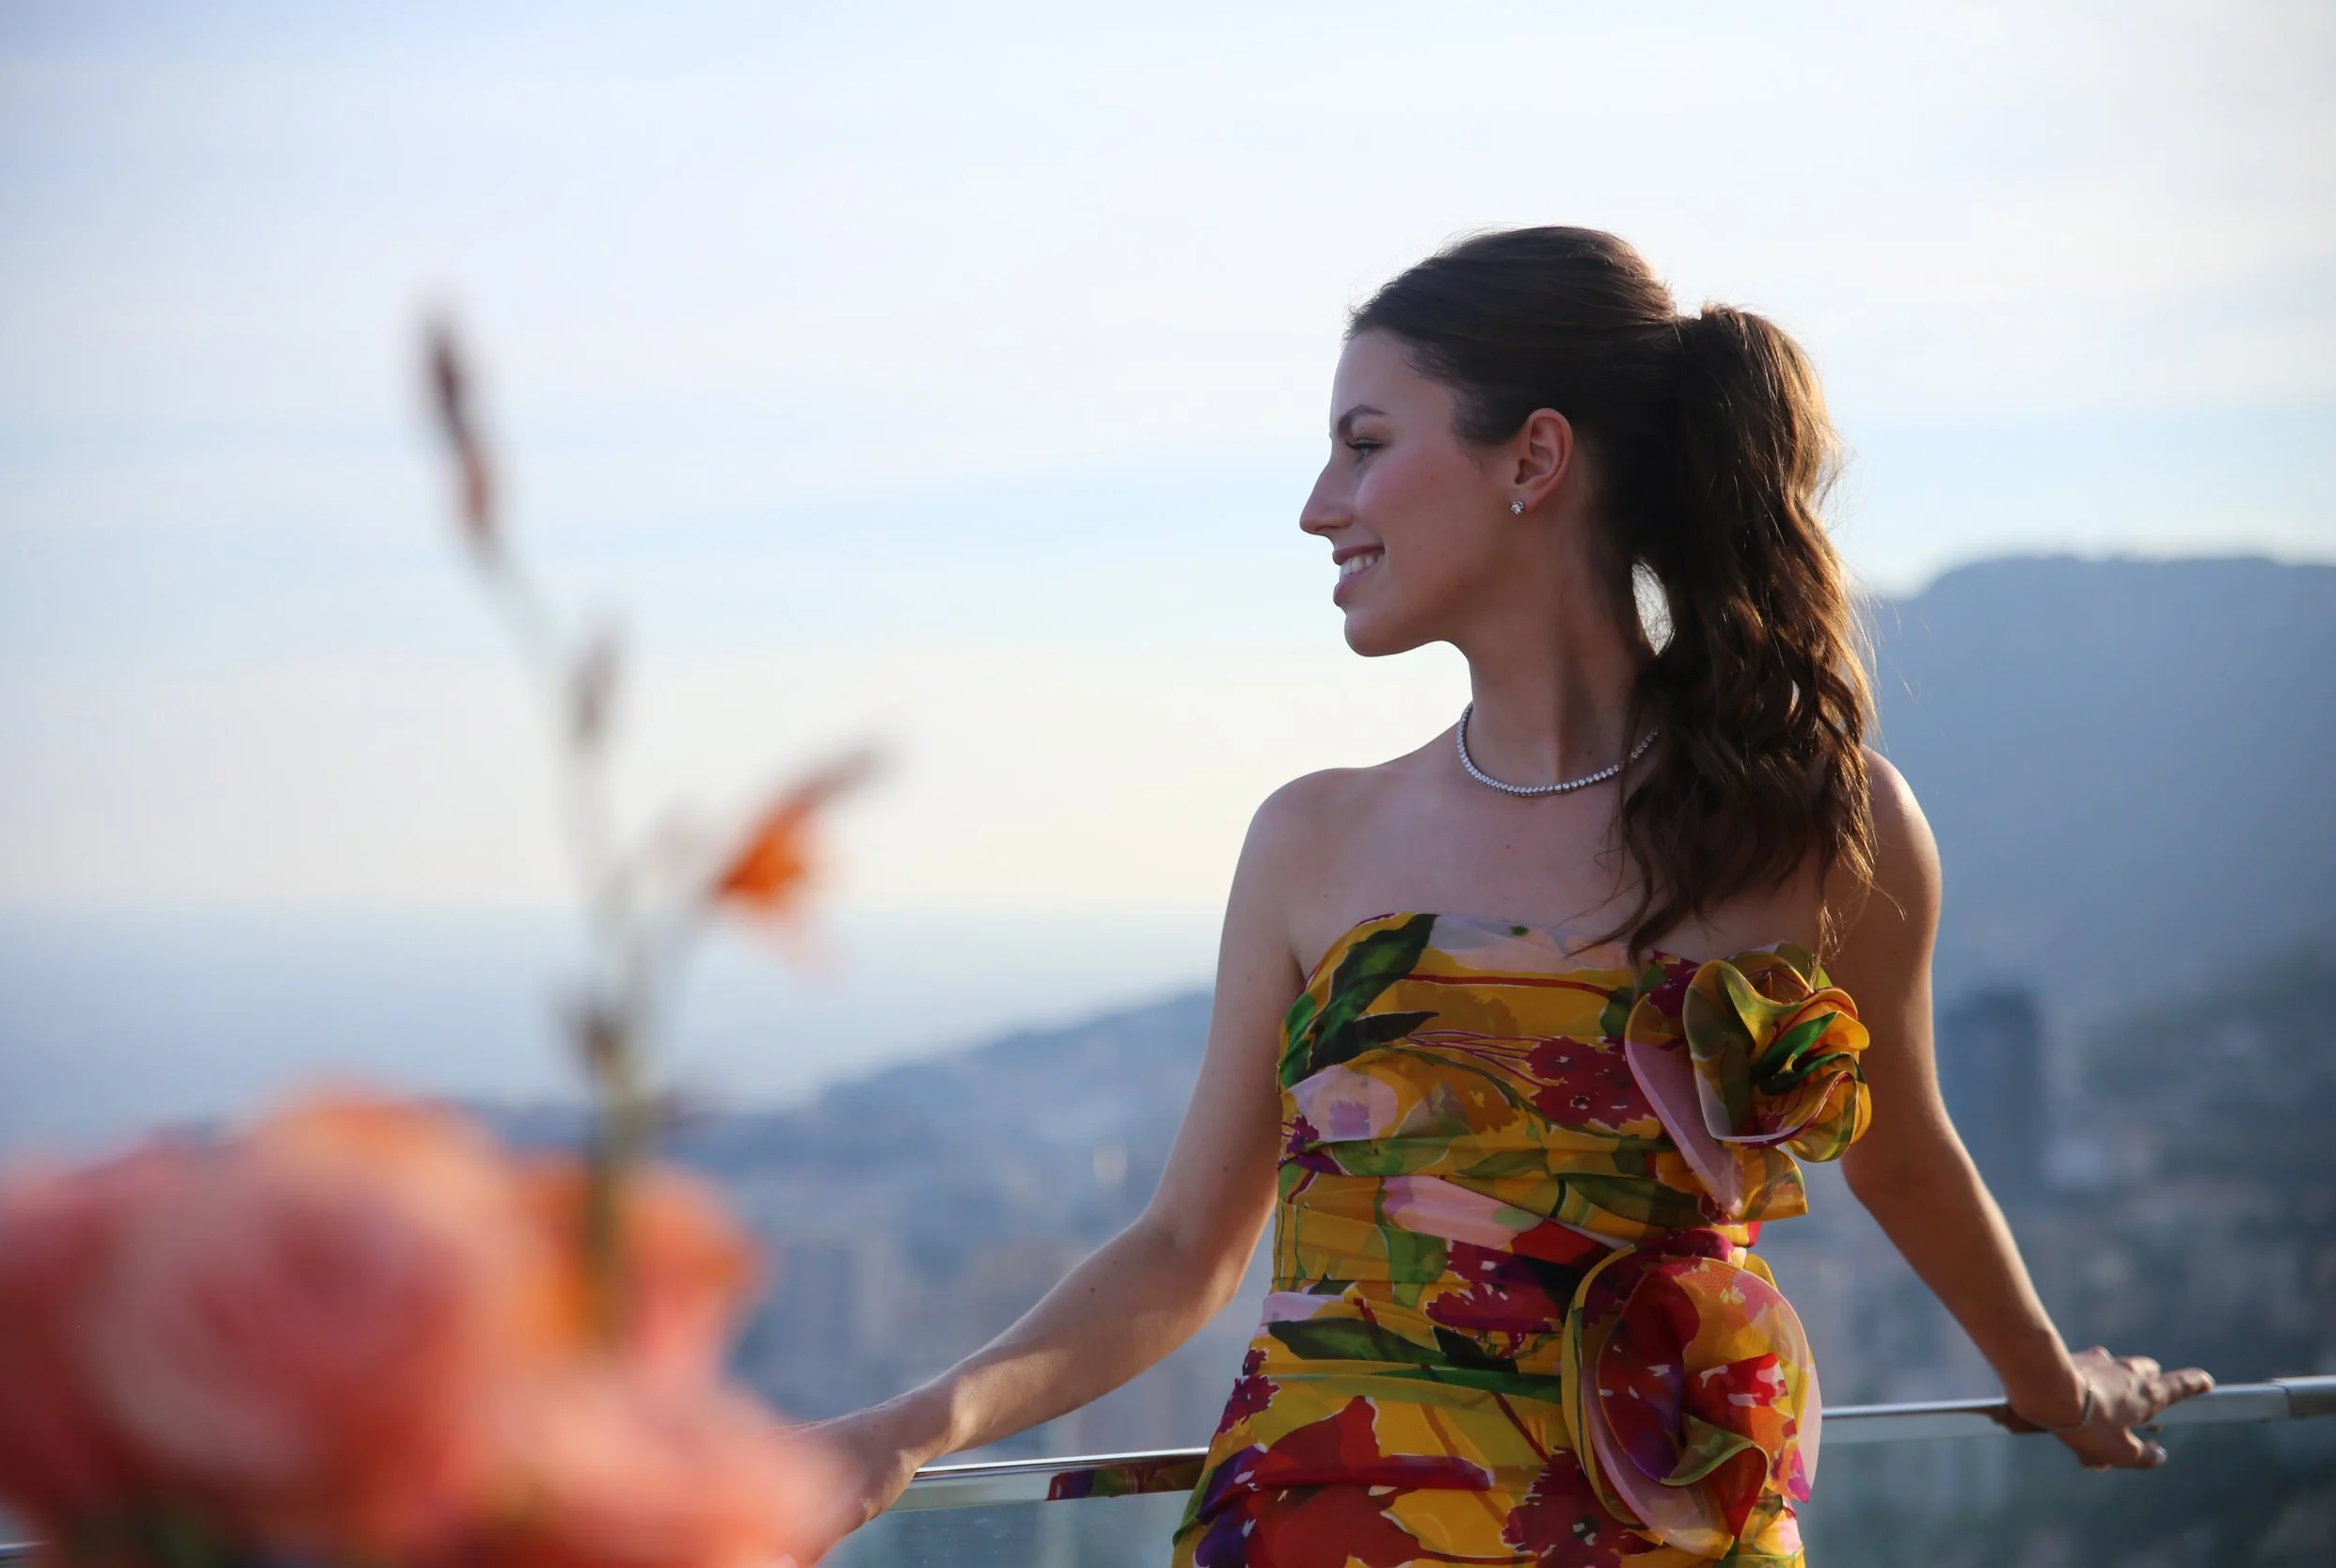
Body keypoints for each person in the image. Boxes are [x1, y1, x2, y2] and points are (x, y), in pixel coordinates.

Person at [814, 227, 2214, 1566]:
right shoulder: (1311, 838)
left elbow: (1904, 1157)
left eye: (1366, 445)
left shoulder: (1824, 828)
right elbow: (1185, 1248)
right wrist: (906, 1430)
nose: (1318, 506)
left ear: (1533, 458)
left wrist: (2058, 1385)